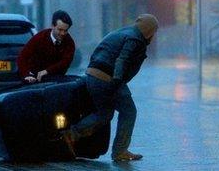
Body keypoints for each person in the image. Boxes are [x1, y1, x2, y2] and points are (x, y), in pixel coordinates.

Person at [61, 14, 159, 162]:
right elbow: (122, 59)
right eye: (154, 31)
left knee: (104, 114)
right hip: (109, 78)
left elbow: (98, 50)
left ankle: (71, 134)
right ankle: (120, 152)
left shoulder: (121, 32)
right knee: (129, 111)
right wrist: (116, 81)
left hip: (92, 76)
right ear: (149, 30)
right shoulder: (136, 39)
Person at [17, 10, 75, 83]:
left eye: (65, 30)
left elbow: (65, 62)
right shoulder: (40, 38)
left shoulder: (69, 42)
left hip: (56, 80)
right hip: (34, 80)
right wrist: (26, 75)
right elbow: (22, 57)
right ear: (52, 26)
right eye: (60, 30)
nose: (62, 33)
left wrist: (47, 71)